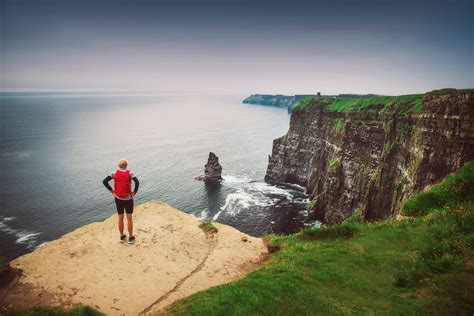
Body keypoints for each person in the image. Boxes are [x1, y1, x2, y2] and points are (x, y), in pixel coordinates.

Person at [103, 159, 139, 244]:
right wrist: (135, 191)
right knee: (129, 218)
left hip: (118, 198)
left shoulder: (114, 173)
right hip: (128, 199)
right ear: (126, 165)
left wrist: (112, 191)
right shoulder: (130, 173)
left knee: (120, 218)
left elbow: (104, 181)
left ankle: (122, 236)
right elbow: (137, 182)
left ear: (119, 166)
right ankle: (130, 237)